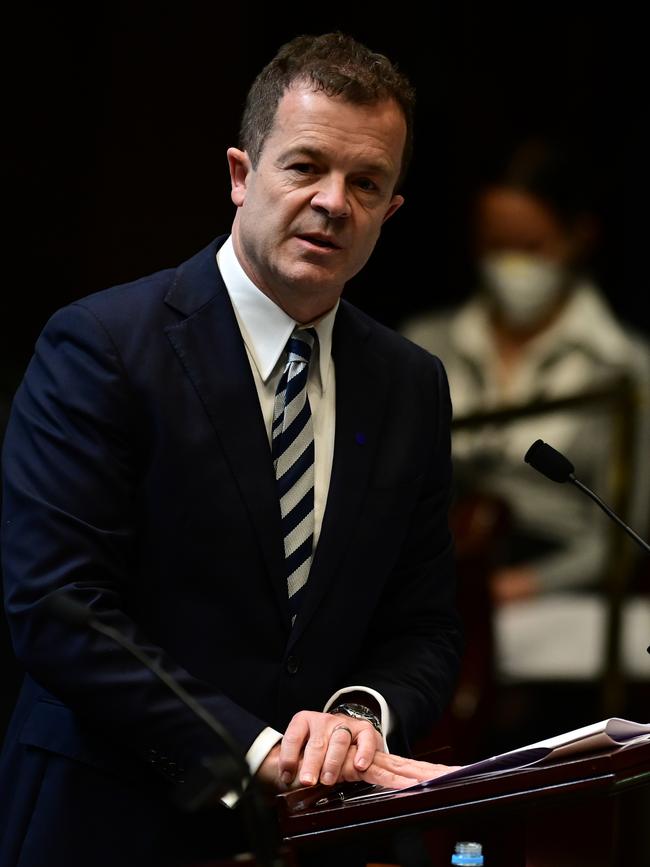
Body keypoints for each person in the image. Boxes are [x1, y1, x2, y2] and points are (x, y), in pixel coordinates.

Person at [0, 32, 462, 867]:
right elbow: (60, 609)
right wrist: (254, 748)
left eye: (366, 183)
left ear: (391, 211)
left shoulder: (411, 383)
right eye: (305, 167)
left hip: (312, 838)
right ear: (241, 174)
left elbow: (424, 625)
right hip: (109, 819)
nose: (333, 202)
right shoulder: (102, 345)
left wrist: (358, 717)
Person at [402, 138, 650, 741]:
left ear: (577, 238)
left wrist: (517, 587)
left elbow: (624, 538)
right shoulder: (420, 345)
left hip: (550, 600)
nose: (512, 265)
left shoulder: (623, 370)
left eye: (531, 247)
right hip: (440, 582)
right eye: (495, 246)